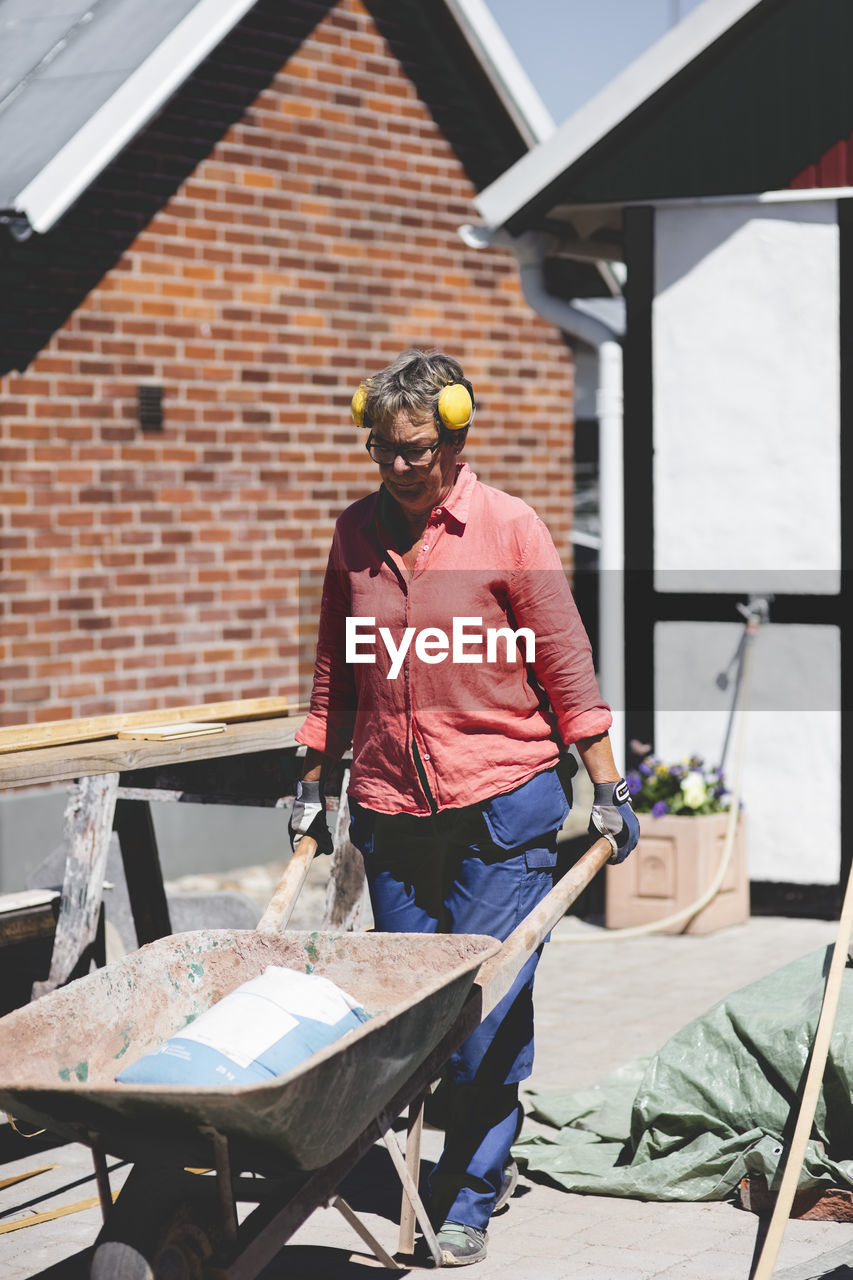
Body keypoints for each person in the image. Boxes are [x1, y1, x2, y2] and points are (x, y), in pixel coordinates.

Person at [289, 348, 638, 1267]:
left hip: (502, 805)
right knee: (413, 1018)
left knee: (484, 1015)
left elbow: (566, 667)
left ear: (453, 438)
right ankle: (449, 1161)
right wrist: (313, 780)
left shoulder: (509, 530)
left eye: (414, 450)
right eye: (383, 449)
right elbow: (336, 665)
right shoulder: (351, 535)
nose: (397, 467)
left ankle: (470, 1191)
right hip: (394, 812)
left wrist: (607, 785)